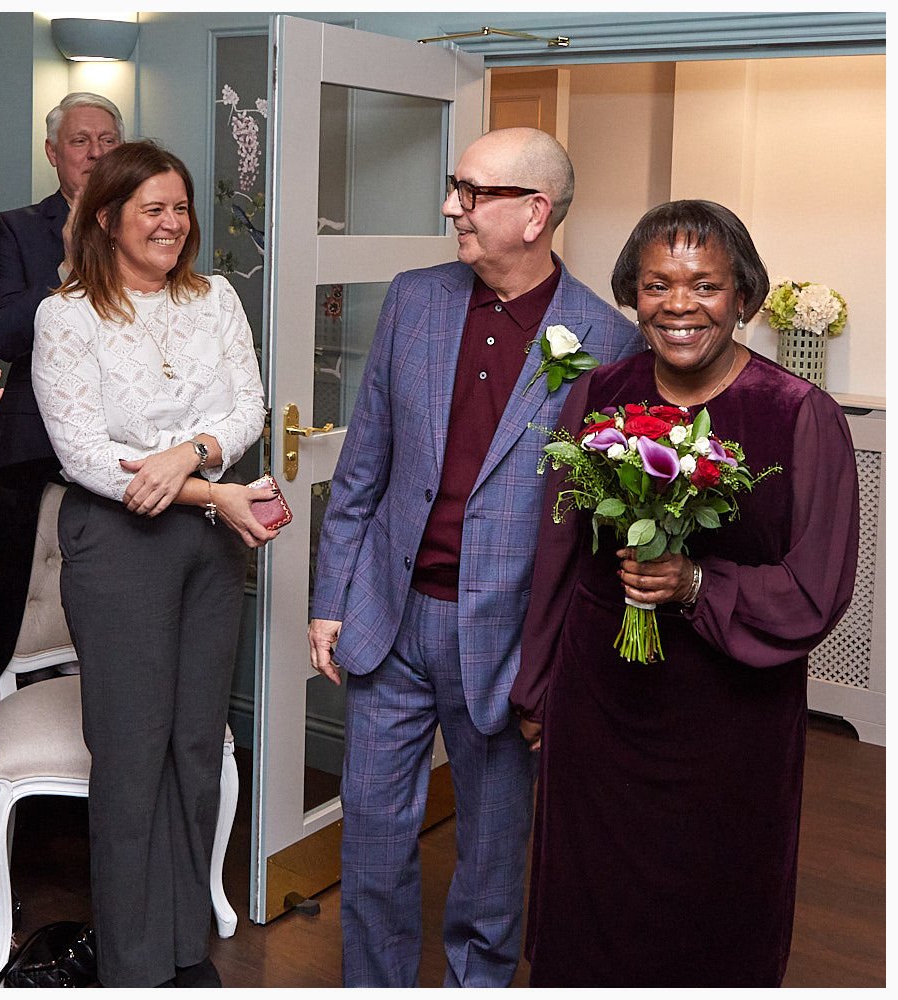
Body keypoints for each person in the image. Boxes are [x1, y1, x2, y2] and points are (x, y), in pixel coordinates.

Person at [306, 127, 642, 987]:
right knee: (373, 840)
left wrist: (563, 658)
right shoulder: (416, 299)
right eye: (455, 186)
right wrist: (330, 597)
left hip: (506, 634)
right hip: (390, 615)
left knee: (493, 857)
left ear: (535, 214)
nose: (451, 205)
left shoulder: (605, 340)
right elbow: (365, 463)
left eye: (472, 191)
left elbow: (597, 527)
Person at [510, 200, 859, 987]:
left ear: (745, 297)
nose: (678, 305)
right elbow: (558, 549)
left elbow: (818, 585)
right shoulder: (598, 395)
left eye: (704, 286)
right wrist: (539, 687)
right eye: (657, 284)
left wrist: (695, 581)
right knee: (591, 900)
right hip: (601, 705)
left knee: (717, 903)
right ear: (632, 294)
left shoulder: (800, 416)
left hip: (732, 725)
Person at [32, 140, 276, 988]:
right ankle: (132, 967)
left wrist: (192, 453)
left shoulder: (215, 298)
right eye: (153, 210)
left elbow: (248, 404)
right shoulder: (66, 316)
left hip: (209, 544)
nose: (173, 224)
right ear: (107, 219)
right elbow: (87, 454)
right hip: (120, 542)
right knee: (132, 757)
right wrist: (204, 488)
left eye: (180, 209)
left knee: (195, 748)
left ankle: (182, 950)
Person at [0, 91, 124, 734]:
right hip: (30, 451)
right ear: (54, 154)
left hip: (125, 449)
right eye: (81, 141)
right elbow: (1, 333)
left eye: (108, 141)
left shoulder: (150, 225)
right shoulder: (16, 227)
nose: (96, 153)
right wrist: (69, 269)